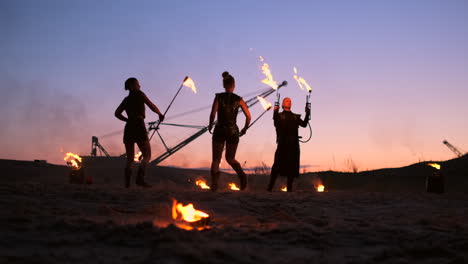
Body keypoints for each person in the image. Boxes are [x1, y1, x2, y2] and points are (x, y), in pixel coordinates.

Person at [115, 77, 164, 188]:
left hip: (128, 128)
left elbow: (117, 113)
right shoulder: (140, 94)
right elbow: (151, 105)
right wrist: (160, 114)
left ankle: (127, 184)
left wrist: (127, 120)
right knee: (147, 155)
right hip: (139, 125)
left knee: (130, 158)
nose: (140, 86)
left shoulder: (126, 100)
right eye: (138, 84)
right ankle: (140, 179)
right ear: (132, 86)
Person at [208, 71, 251, 191]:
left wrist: (210, 125)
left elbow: (213, 114)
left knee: (216, 159)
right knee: (230, 158)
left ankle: (214, 184)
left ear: (224, 85)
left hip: (220, 130)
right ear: (234, 85)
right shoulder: (239, 99)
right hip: (233, 131)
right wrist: (245, 128)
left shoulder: (218, 97)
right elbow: (249, 116)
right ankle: (242, 177)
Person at [267, 97, 310, 192]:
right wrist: (275, 111)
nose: (288, 101)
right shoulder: (278, 116)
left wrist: (307, 113)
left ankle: (289, 189)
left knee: (292, 166)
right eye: (286, 100)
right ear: (282, 104)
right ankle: (270, 187)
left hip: (294, 144)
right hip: (282, 144)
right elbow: (276, 123)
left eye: (290, 101)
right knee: (277, 166)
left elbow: (304, 124)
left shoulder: (295, 117)